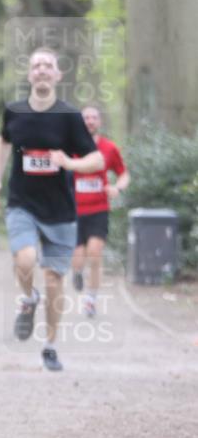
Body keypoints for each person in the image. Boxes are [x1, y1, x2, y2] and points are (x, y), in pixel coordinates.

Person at [0, 48, 104, 372]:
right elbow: (3, 142)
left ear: (57, 75)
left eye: (47, 66)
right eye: (36, 65)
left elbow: (97, 160)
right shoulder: (14, 111)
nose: (41, 70)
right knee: (23, 259)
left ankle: (50, 345)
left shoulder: (69, 116)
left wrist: (70, 162)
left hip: (61, 210)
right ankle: (28, 298)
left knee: (54, 280)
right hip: (22, 203)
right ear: (29, 74)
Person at [71, 105, 130, 316]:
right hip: (74, 210)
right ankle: (77, 272)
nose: (89, 121)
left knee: (95, 253)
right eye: (85, 117)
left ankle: (91, 299)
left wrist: (118, 187)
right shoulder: (72, 146)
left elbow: (124, 174)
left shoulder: (109, 148)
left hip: (98, 208)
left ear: (99, 122)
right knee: (77, 257)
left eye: (93, 117)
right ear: (81, 122)